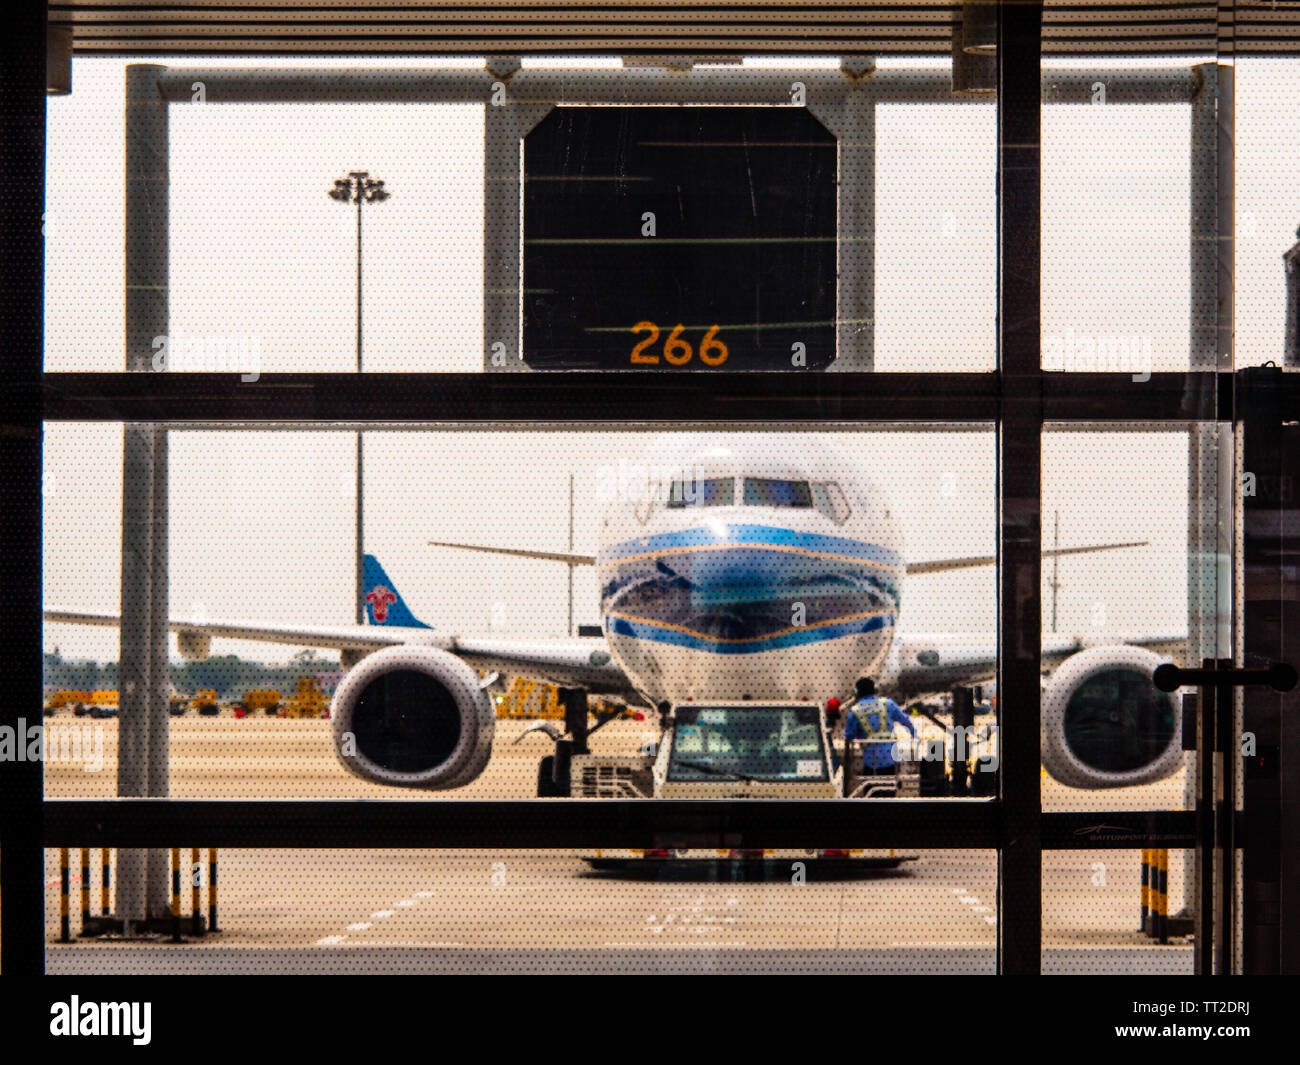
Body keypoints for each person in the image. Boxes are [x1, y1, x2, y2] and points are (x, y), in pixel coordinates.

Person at [844, 678, 916, 774]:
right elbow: (906, 722)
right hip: (892, 760)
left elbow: (849, 736)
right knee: (891, 787)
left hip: (871, 762)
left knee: (870, 787)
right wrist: (914, 735)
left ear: (857, 693)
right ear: (875, 690)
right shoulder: (888, 704)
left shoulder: (855, 711)